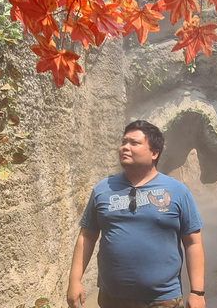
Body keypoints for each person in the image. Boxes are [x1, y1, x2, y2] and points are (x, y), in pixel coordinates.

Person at [67, 120, 206, 308]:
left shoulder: (178, 191)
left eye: (134, 143)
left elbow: (193, 242)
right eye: (124, 142)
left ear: (154, 153)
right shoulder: (103, 189)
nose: (125, 147)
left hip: (162, 300)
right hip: (112, 299)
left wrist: (197, 292)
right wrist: (75, 281)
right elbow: (87, 236)